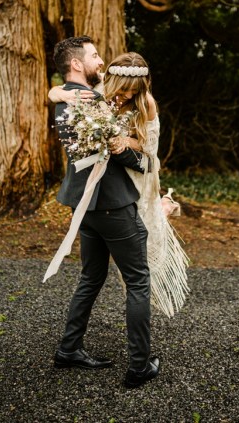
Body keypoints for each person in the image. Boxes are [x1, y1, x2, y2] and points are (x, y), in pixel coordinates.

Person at [47, 36, 160, 389]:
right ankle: (140, 366)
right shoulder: (95, 103)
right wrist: (139, 157)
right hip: (112, 205)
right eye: (95, 55)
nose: (100, 59)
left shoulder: (64, 100)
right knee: (139, 282)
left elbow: (56, 93)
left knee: (90, 278)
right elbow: (121, 157)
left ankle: (69, 349)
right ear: (77, 64)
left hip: (85, 207)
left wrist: (56, 92)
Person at [49, 51, 189, 319]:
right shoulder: (98, 85)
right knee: (101, 269)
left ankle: (162, 208)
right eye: (123, 90)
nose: (125, 96)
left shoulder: (146, 103)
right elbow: (58, 89)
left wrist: (122, 139)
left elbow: (149, 149)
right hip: (106, 185)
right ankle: (164, 207)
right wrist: (58, 94)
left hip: (137, 173)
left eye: (132, 92)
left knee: (146, 235)